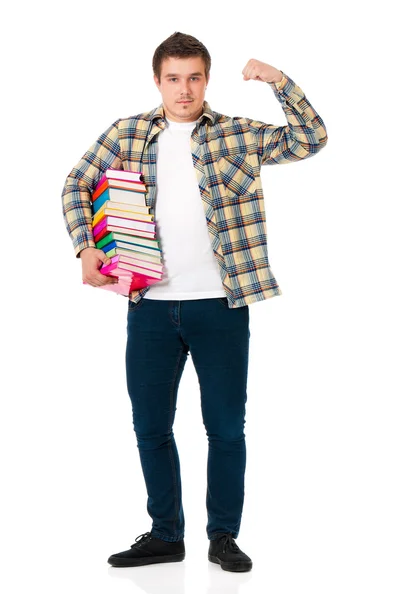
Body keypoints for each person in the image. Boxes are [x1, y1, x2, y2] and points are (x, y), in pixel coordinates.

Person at [62, 31, 328, 573]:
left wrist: (278, 81)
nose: (184, 90)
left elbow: (310, 139)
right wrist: (85, 247)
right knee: (150, 427)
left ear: (207, 79)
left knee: (226, 428)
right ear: (157, 80)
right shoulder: (127, 133)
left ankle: (223, 536)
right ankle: (166, 534)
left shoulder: (236, 135)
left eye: (195, 77)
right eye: (173, 78)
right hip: (151, 308)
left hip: (222, 306)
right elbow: (76, 182)